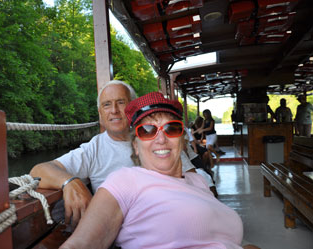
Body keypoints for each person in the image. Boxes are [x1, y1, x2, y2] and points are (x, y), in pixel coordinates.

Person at [59, 92, 259, 249]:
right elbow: (80, 244)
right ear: (136, 146)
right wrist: (68, 181)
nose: (161, 138)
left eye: (171, 128)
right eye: (147, 131)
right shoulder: (126, 181)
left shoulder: (198, 182)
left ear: (181, 139)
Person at [30, 80, 195, 228]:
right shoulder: (93, 149)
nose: (114, 110)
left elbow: (194, 184)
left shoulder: (158, 139)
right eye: (107, 105)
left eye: (121, 102)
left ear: (132, 108)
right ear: (100, 113)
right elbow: (38, 171)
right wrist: (70, 182)